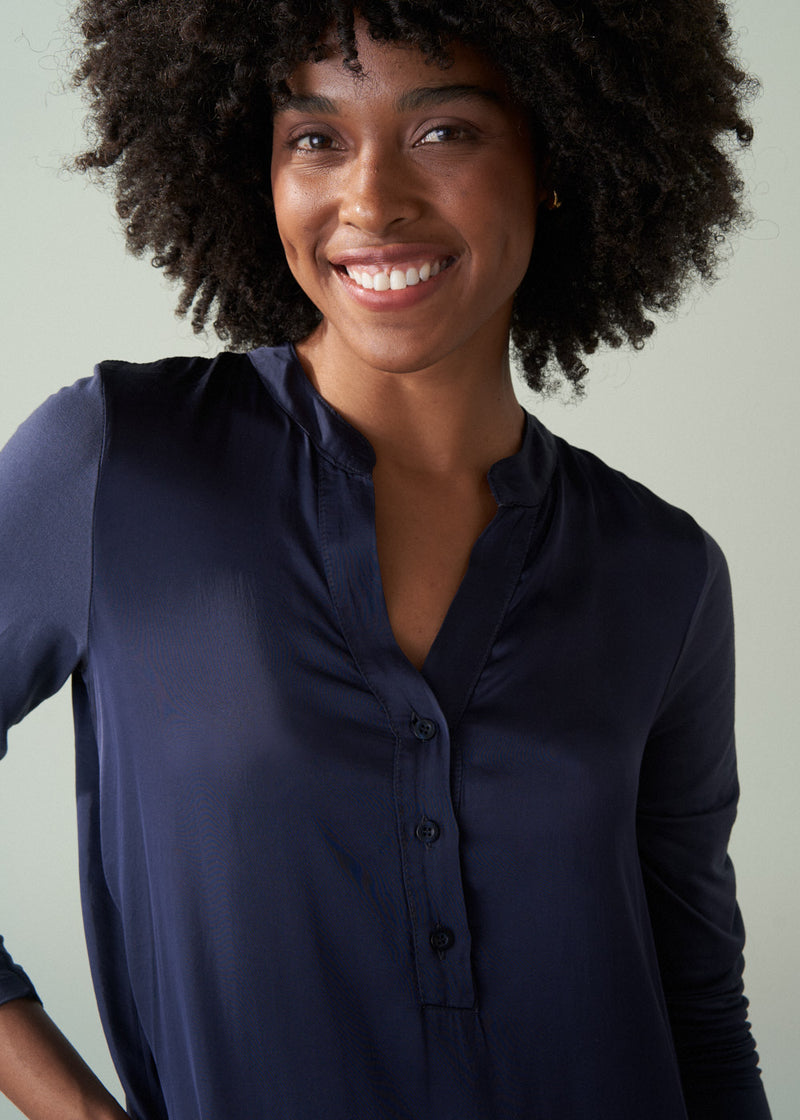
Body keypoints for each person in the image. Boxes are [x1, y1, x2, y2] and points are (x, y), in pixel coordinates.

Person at [0, 1, 773, 1118]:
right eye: (315, 137)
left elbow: (700, 1007)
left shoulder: (662, 570)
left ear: (556, 158)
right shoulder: (117, 465)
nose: (370, 200)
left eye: (442, 131)